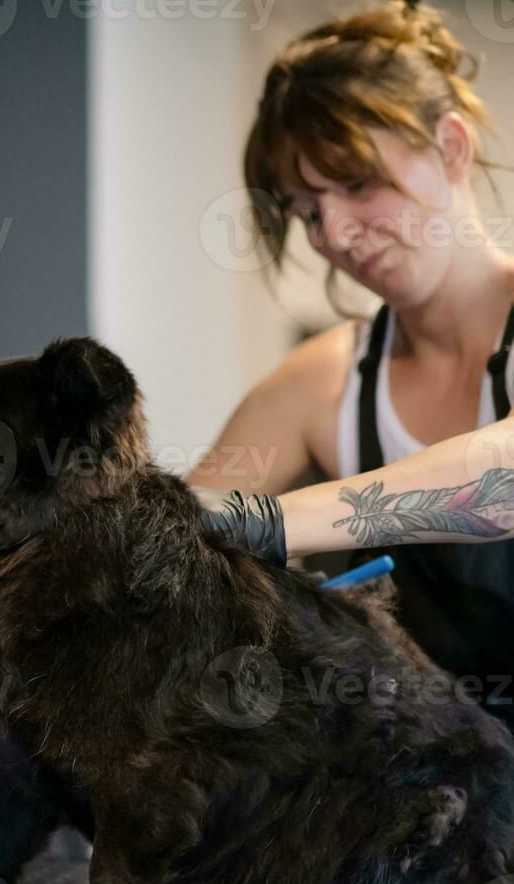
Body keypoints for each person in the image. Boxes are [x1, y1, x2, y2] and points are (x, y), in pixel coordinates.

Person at [191, 0, 514, 726]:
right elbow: (174, 535)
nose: (334, 234)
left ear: (452, 147)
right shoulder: (322, 383)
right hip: (444, 805)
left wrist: (267, 522)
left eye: (357, 184)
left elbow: (501, 480)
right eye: (307, 211)